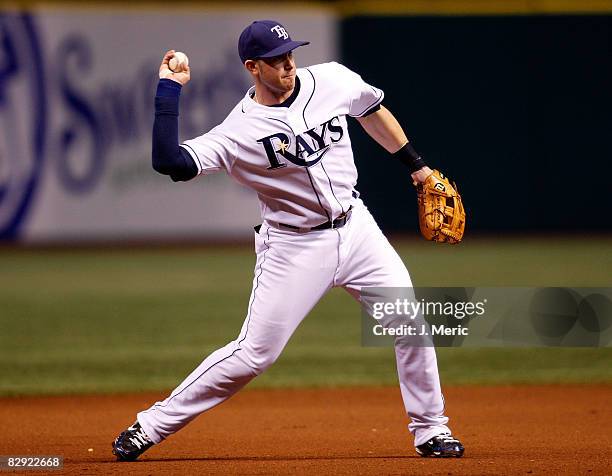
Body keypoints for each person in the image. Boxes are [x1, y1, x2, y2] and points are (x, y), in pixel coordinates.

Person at [112, 19, 464, 461]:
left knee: (409, 322)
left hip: (357, 229)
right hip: (293, 247)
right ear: (252, 67)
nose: (288, 64)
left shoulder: (331, 79)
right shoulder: (238, 131)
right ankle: (150, 426)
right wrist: (170, 89)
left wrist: (417, 167)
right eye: (276, 60)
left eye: (290, 54)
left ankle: (431, 430)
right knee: (254, 354)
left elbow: (371, 109)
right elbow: (170, 162)